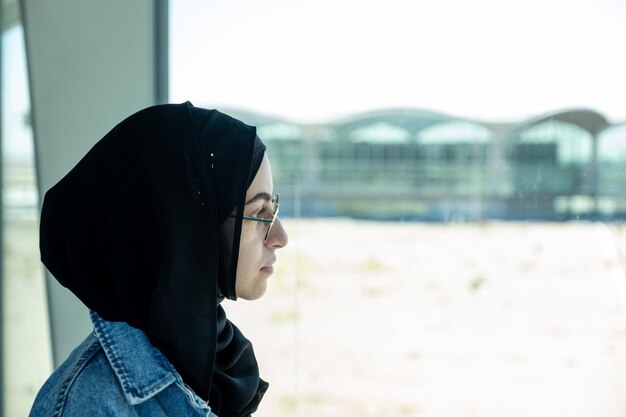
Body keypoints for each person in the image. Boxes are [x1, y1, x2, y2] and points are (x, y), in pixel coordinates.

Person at [29, 102, 288, 417]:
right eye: (260, 212)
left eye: (273, 207)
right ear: (189, 227)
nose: (280, 237)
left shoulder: (215, 360)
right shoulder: (86, 405)